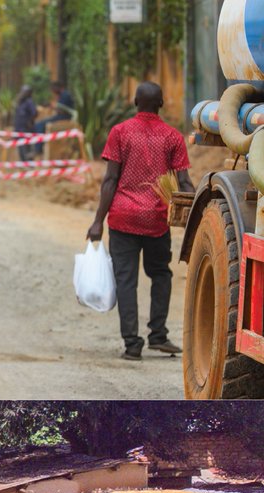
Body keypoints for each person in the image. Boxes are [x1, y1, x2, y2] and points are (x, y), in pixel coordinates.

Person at [87, 81, 194, 360]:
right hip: (157, 220)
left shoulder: (120, 132)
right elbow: (184, 182)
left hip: (122, 218)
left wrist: (98, 220)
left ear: (135, 101)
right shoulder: (172, 137)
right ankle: (158, 334)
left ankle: (132, 345)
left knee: (126, 280)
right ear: (161, 104)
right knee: (160, 274)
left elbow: (110, 179)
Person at [13, 85, 37, 162]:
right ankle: (23, 163)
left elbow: (35, 113)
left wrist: (30, 122)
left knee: (27, 147)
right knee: (20, 147)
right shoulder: (20, 102)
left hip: (25, 129)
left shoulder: (29, 102)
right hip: (18, 128)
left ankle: (29, 164)